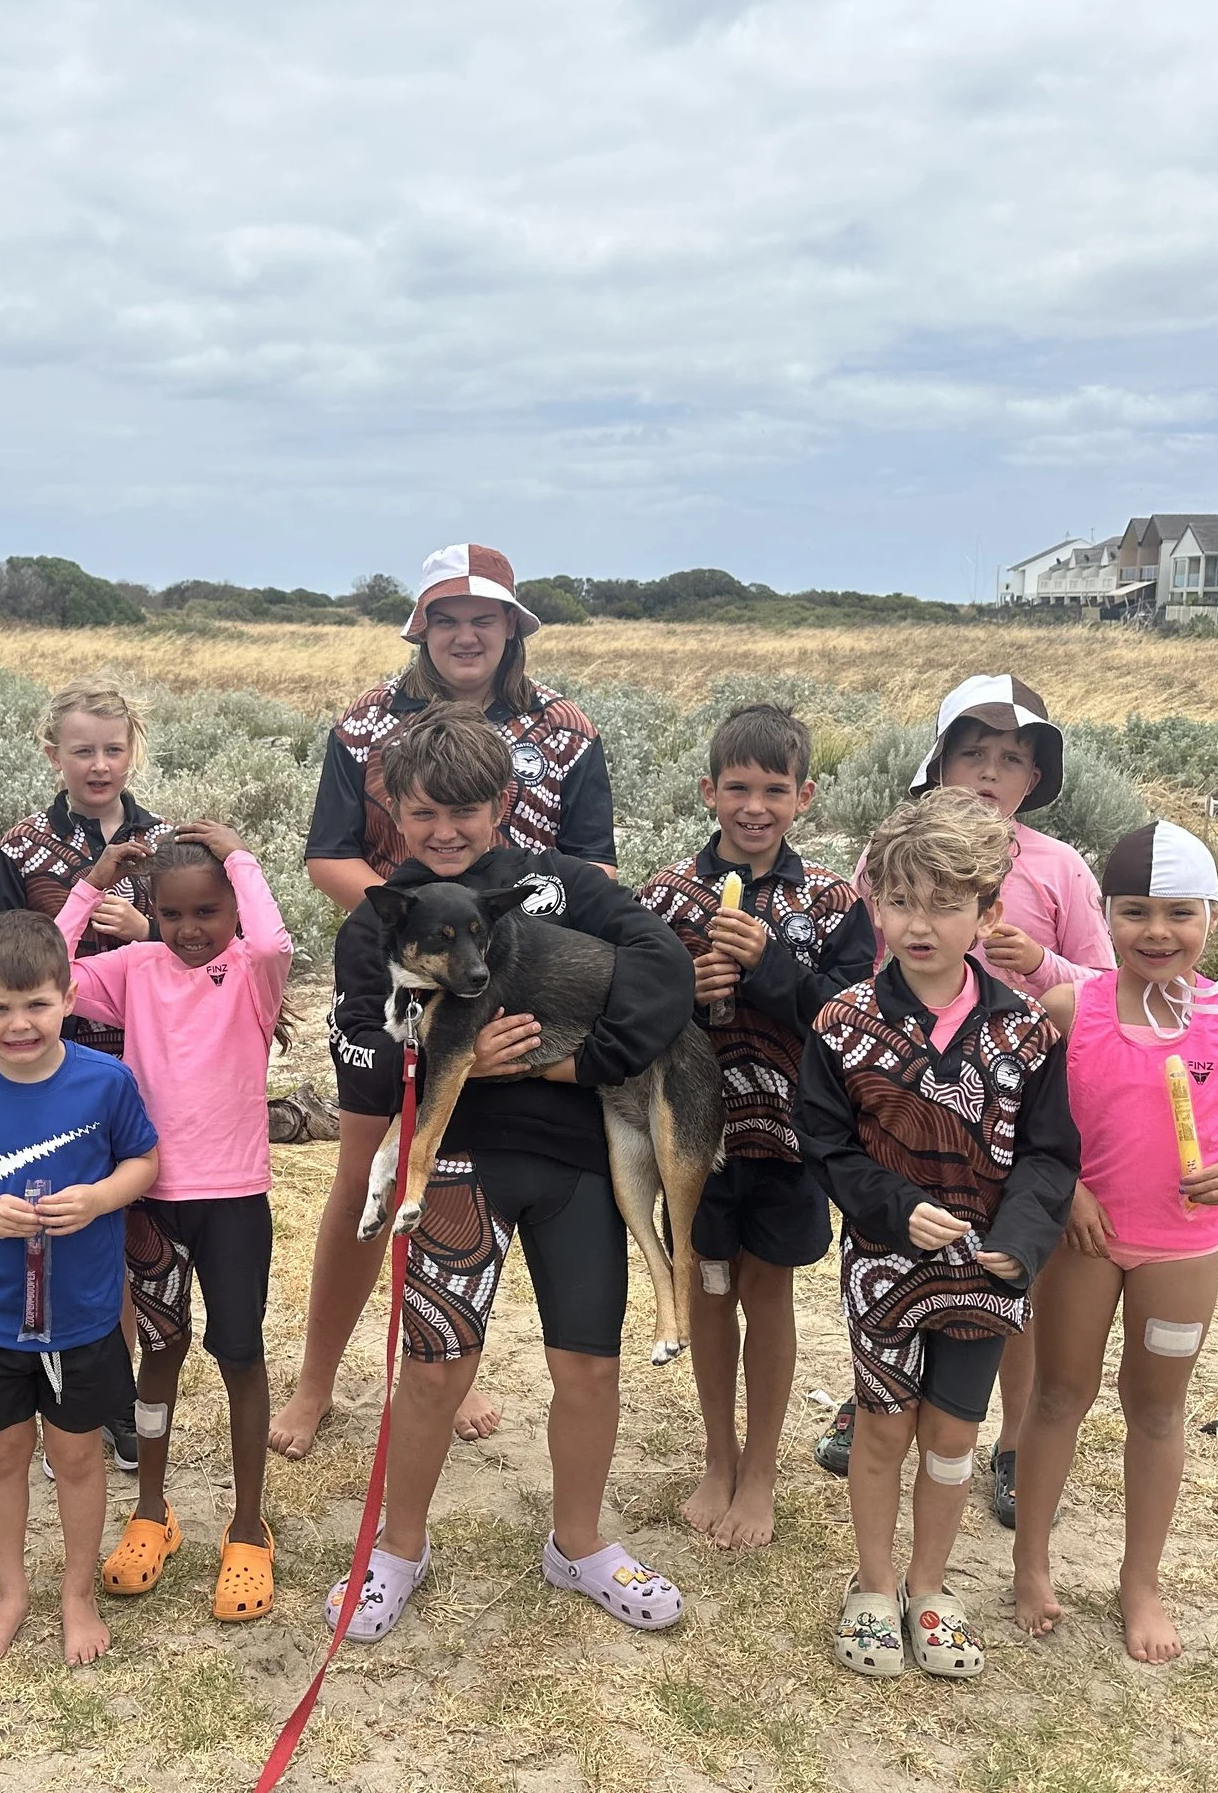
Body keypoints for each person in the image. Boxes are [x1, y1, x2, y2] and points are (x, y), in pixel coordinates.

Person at [321, 708, 692, 1642]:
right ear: (392, 813)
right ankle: (399, 1549)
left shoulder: (560, 887)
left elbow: (662, 965)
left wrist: (578, 1062)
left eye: (465, 812)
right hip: (456, 1165)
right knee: (438, 1366)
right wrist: (455, 1066)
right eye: (422, 814)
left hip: (575, 1160)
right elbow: (357, 1052)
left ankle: (578, 1544)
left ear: (506, 804)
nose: (444, 833)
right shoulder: (384, 916)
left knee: (589, 1365)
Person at [277, 544, 614, 1460]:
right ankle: (316, 1382)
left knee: (474, 1179)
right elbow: (330, 853)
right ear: (420, 627)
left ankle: (450, 1363)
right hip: (406, 974)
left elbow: (599, 866)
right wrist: (409, 931)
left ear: (513, 629)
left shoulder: (568, 731)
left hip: (514, 988)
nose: (466, 635)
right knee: (367, 1176)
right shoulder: (364, 727)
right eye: (447, 618)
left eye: (486, 618)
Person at [816, 674, 1114, 1527]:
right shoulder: (891, 856)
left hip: (1014, 1097)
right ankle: (873, 1390)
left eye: (1011, 757)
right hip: (900, 1088)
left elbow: (1101, 984)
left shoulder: (1058, 867)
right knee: (883, 1251)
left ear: (1035, 778)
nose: (988, 770)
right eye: (971, 751)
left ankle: (1011, 1441)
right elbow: (869, 961)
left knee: (1004, 1281)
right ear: (938, 760)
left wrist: (1041, 966)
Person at [797, 789, 1078, 1680]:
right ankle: (873, 1584)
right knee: (883, 1429)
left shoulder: (1026, 1031)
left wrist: (1025, 1239)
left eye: (946, 903)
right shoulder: (843, 1023)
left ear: (987, 912)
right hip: (883, 1268)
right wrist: (886, 1205)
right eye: (900, 901)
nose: (920, 924)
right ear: (875, 902)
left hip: (989, 1273)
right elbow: (826, 1143)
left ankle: (931, 1586)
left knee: (954, 1437)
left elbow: (1049, 1153)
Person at [1015, 821, 1218, 1663]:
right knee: (1058, 1395)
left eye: (1179, 912)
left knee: (1159, 1408)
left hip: (1184, 1245)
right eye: (1134, 912)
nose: (1157, 932)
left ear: (1210, 916)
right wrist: (1069, 1189)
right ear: (1108, 915)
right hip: (1084, 1242)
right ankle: (1030, 1562)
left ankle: (1142, 1579)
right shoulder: (1069, 1008)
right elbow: (1026, 1126)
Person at [636, 704, 874, 1550]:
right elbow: (629, 1013)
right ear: (708, 790)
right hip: (695, 1137)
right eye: (737, 787)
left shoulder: (834, 899)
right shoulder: (665, 895)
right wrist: (681, 992)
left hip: (790, 1137)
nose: (754, 806)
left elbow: (851, 1019)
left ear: (804, 796)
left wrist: (773, 966)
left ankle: (764, 1465)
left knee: (767, 1292)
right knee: (707, 1286)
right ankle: (717, 1454)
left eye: (775, 789)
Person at [50, 822, 294, 1622]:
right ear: (150, 909)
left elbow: (273, 942)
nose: (191, 930)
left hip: (232, 1201)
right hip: (149, 1196)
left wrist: (240, 854)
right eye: (174, 913)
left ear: (232, 909)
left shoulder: (251, 974)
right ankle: (152, 1510)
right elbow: (49, 976)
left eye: (209, 911)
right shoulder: (136, 969)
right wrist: (90, 885)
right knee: (160, 1348)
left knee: (240, 1354)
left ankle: (249, 1525)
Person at [0, 912, 160, 1667]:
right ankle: (11, 1590)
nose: (19, 1023)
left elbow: (143, 1163)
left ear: (69, 996)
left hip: (81, 1317)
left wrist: (100, 1198)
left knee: (78, 1457)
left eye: (37, 1004)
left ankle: (76, 1594)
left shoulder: (105, 1081)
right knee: (2, 1455)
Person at [0, 679, 165, 1064]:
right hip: (55, 1052)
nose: (100, 765)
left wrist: (147, 931)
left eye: (114, 750)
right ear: (55, 756)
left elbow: (211, 943)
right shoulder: (21, 846)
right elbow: (0, 955)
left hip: (155, 1043)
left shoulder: (166, 842)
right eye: (83, 751)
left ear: (131, 753)